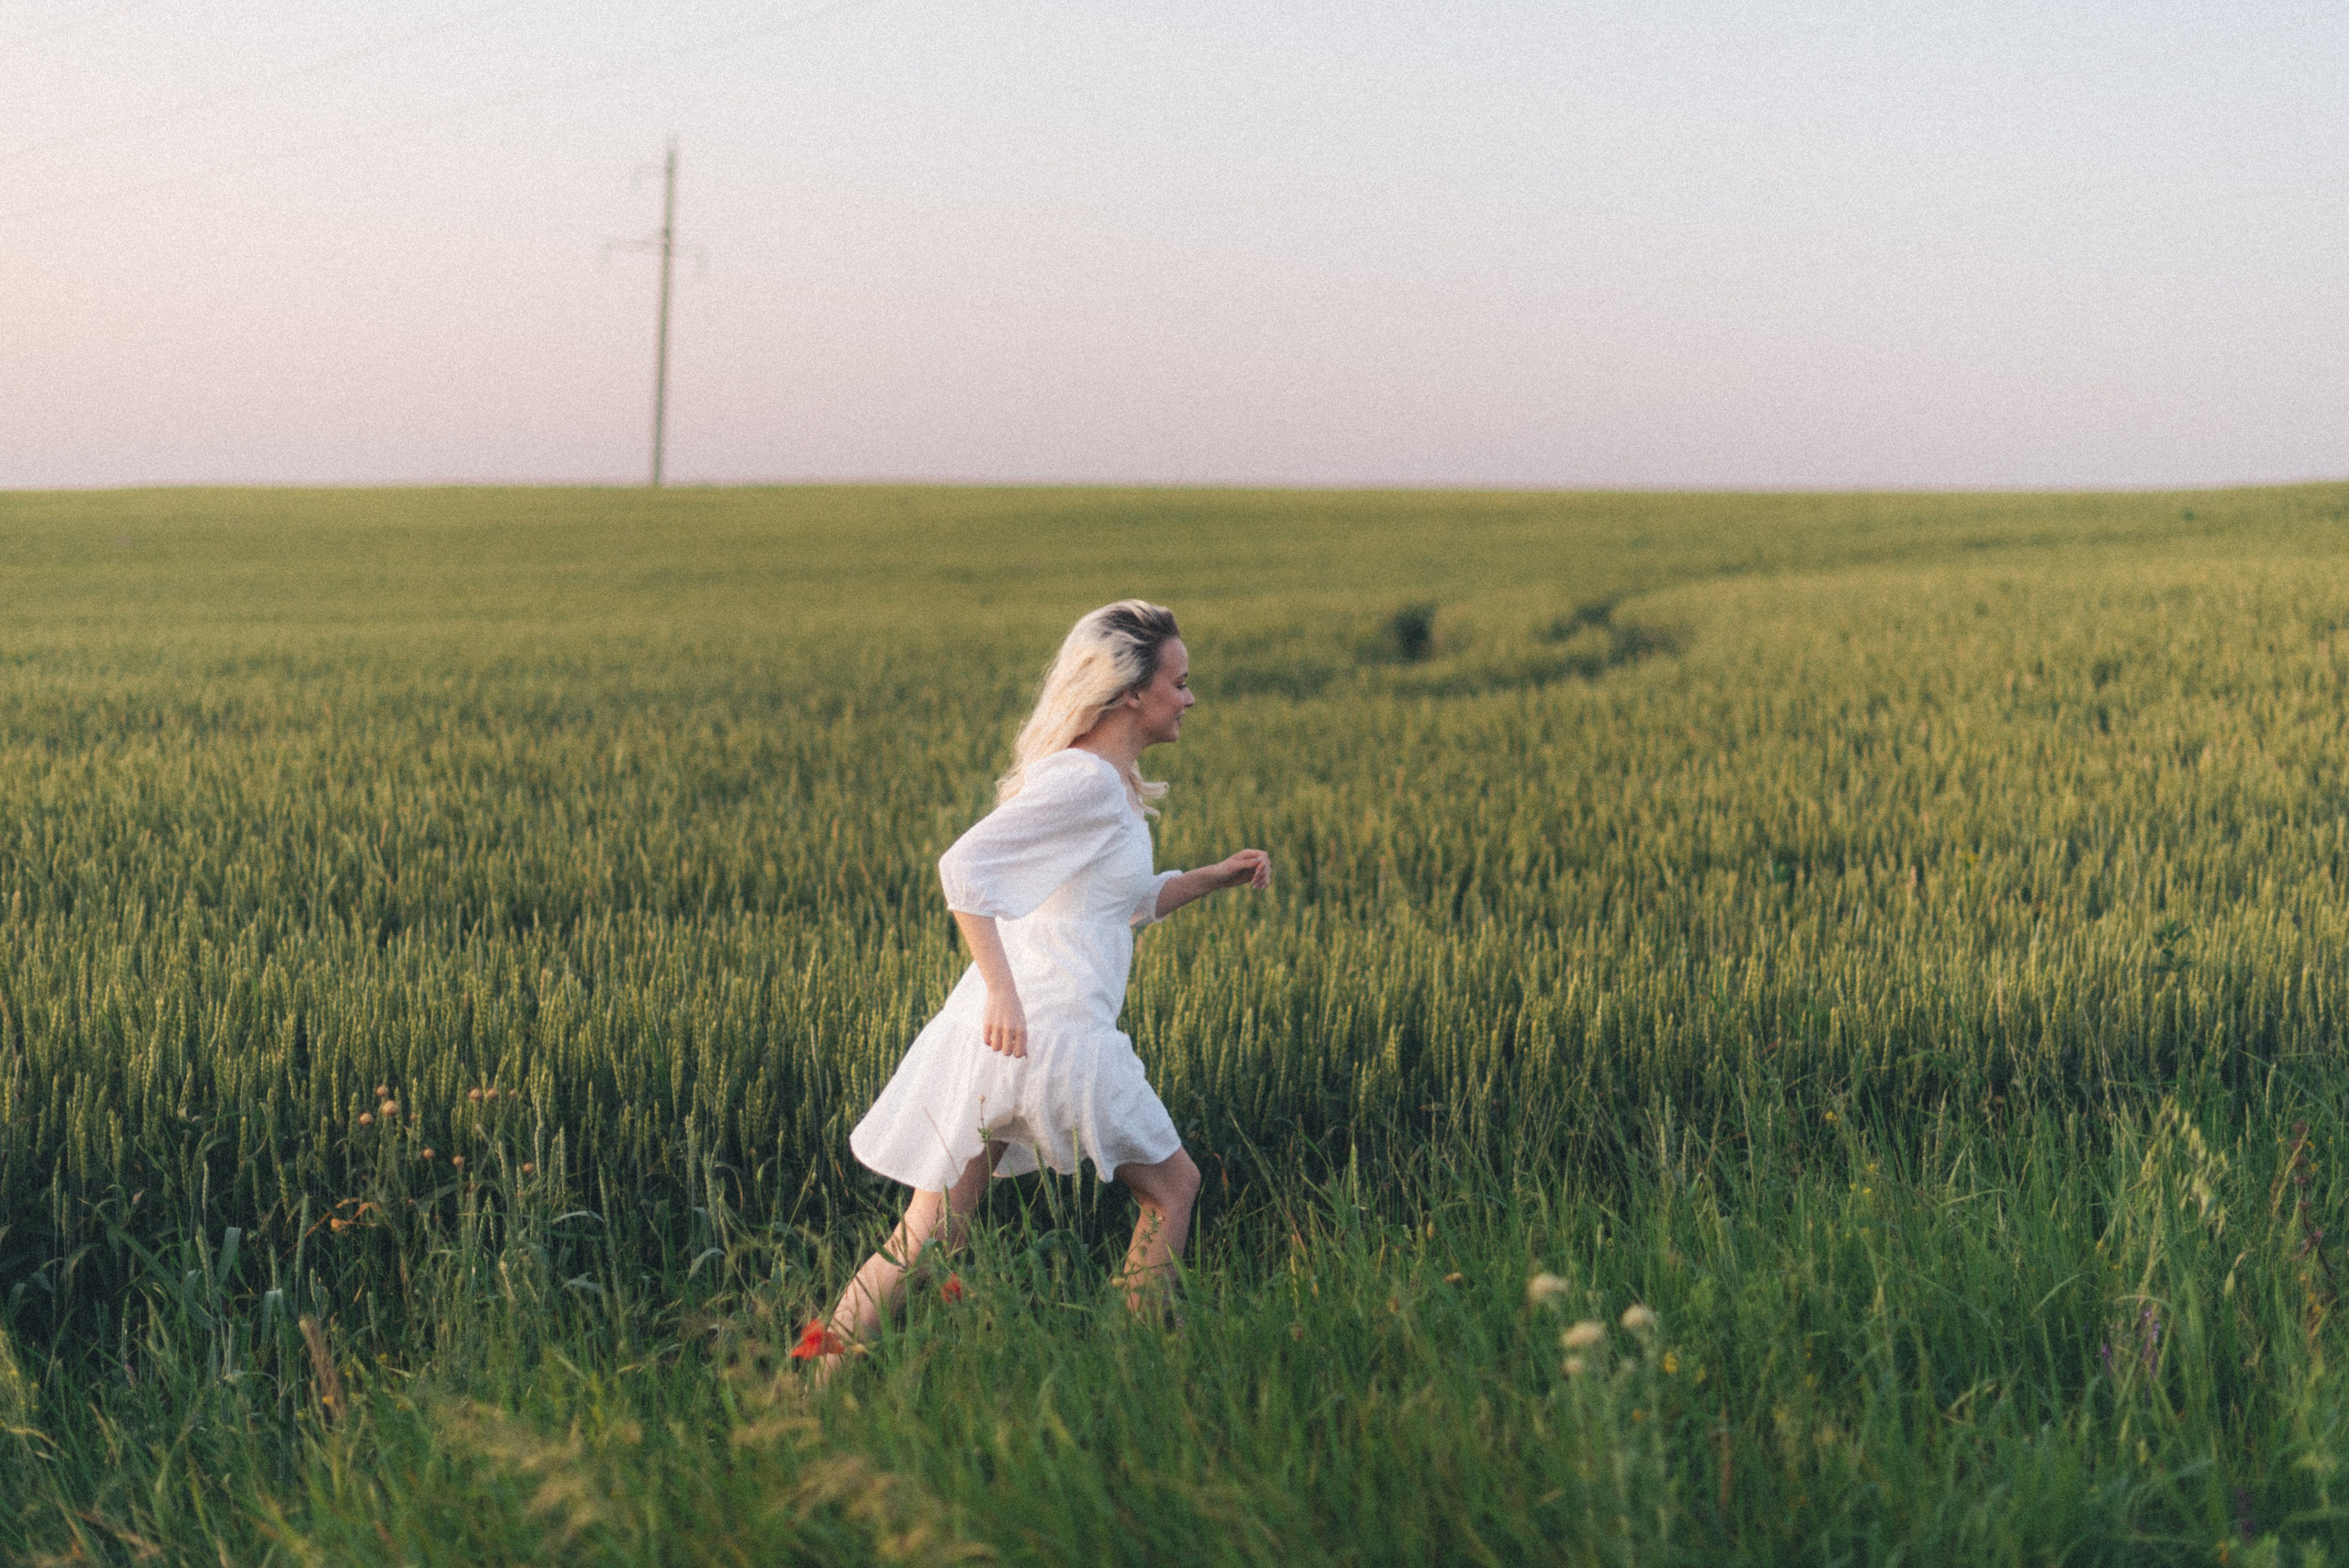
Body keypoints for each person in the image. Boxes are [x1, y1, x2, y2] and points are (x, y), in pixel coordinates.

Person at [795, 600, 1272, 1363]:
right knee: (1173, 1189)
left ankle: (812, 1377)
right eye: (1178, 683)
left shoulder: (1108, 784)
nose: (1190, 698)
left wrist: (1210, 877)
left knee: (929, 1230)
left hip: (996, 1043)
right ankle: (1132, 1361)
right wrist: (1003, 991)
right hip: (1051, 1033)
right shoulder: (1085, 781)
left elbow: (1115, 905)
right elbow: (963, 867)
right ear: (1129, 693)